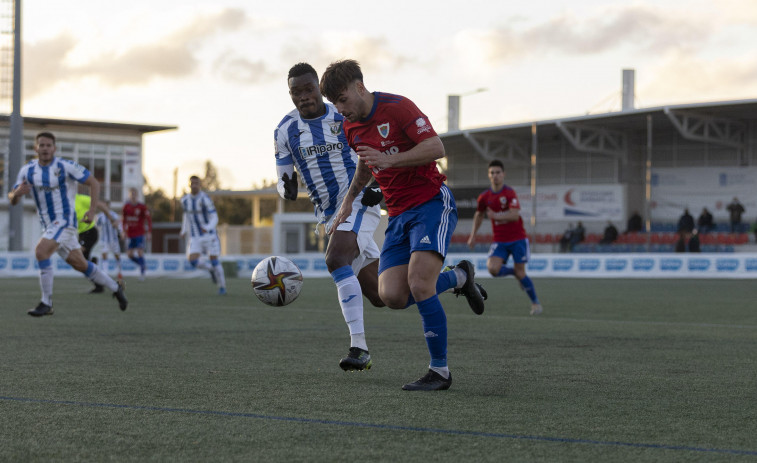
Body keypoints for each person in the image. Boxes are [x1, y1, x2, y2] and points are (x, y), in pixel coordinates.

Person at [277, 63, 484, 374]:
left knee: (341, 260)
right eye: (297, 92)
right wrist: (342, 198)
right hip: (382, 213)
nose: (340, 108)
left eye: (341, 99)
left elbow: (436, 147)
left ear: (359, 87)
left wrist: (382, 171)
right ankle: (459, 277)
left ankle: (406, 361)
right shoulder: (331, 126)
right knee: (387, 296)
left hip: (425, 201)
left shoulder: (396, 107)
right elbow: (364, 160)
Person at [7, 132, 128, 316]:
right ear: (36, 148)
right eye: (42, 145)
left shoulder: (65, 166)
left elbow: (93, 183)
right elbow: (12, 198)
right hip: (48, 225)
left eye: (49, 145)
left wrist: (91, 209)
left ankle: (46, 303)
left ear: (54, 148)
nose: (45, 148)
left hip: (65, 221)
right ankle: (115, 287)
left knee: (41, 251)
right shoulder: (27, 170)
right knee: (80, 264)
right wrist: (16, 194)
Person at [467, 160, 542, 315]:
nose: (495, 176)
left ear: (503, 174)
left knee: (522, 273)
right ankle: (515, 273)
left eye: (498, 172)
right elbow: (479, 215)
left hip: (518, 239)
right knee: (493, 269)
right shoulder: (484, 197)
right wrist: (473, 235)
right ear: (489, 175)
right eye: (492, 173)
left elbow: (515, 215)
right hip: (500, 240)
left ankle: (535, 303)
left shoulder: (509, 193)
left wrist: (496, 215)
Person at [179, 175, 227, 295]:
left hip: (209, 236)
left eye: (197, 183)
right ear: (189, 184)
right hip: (195, 237)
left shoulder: (205, 199)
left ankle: (222, 287)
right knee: (192, 260)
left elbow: (215, 217)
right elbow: (186, 216)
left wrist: (208, 227)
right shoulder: (185, 200)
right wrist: (184, 230)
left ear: (200, 185)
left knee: (215, 261)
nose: (194, 185)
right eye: (192, 183)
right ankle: (210, 270)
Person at [122, 187, 152, 281]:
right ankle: (142, 264)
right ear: (129, 195)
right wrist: (123, 231)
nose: (133, 196)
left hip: (140, 233)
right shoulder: (126, 207)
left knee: (139, 252)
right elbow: (124, 220)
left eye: (134, 194)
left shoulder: (142, 207)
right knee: (129, 255)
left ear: (137, 195)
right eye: (131, 194)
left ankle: (142, 273)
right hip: (130, 234)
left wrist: (149, 232)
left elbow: (148, 220)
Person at [95, 200, 124, 287]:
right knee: (104, 255)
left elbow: (119, 226)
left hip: (114, 240)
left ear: (108, 206)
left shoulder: (114, 215)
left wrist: (119, 230)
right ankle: (105, 274)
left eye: (106, 205)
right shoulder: (100, 216)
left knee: (117, 256)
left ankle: (119, 273)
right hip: (104, 240)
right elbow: (97, 225)